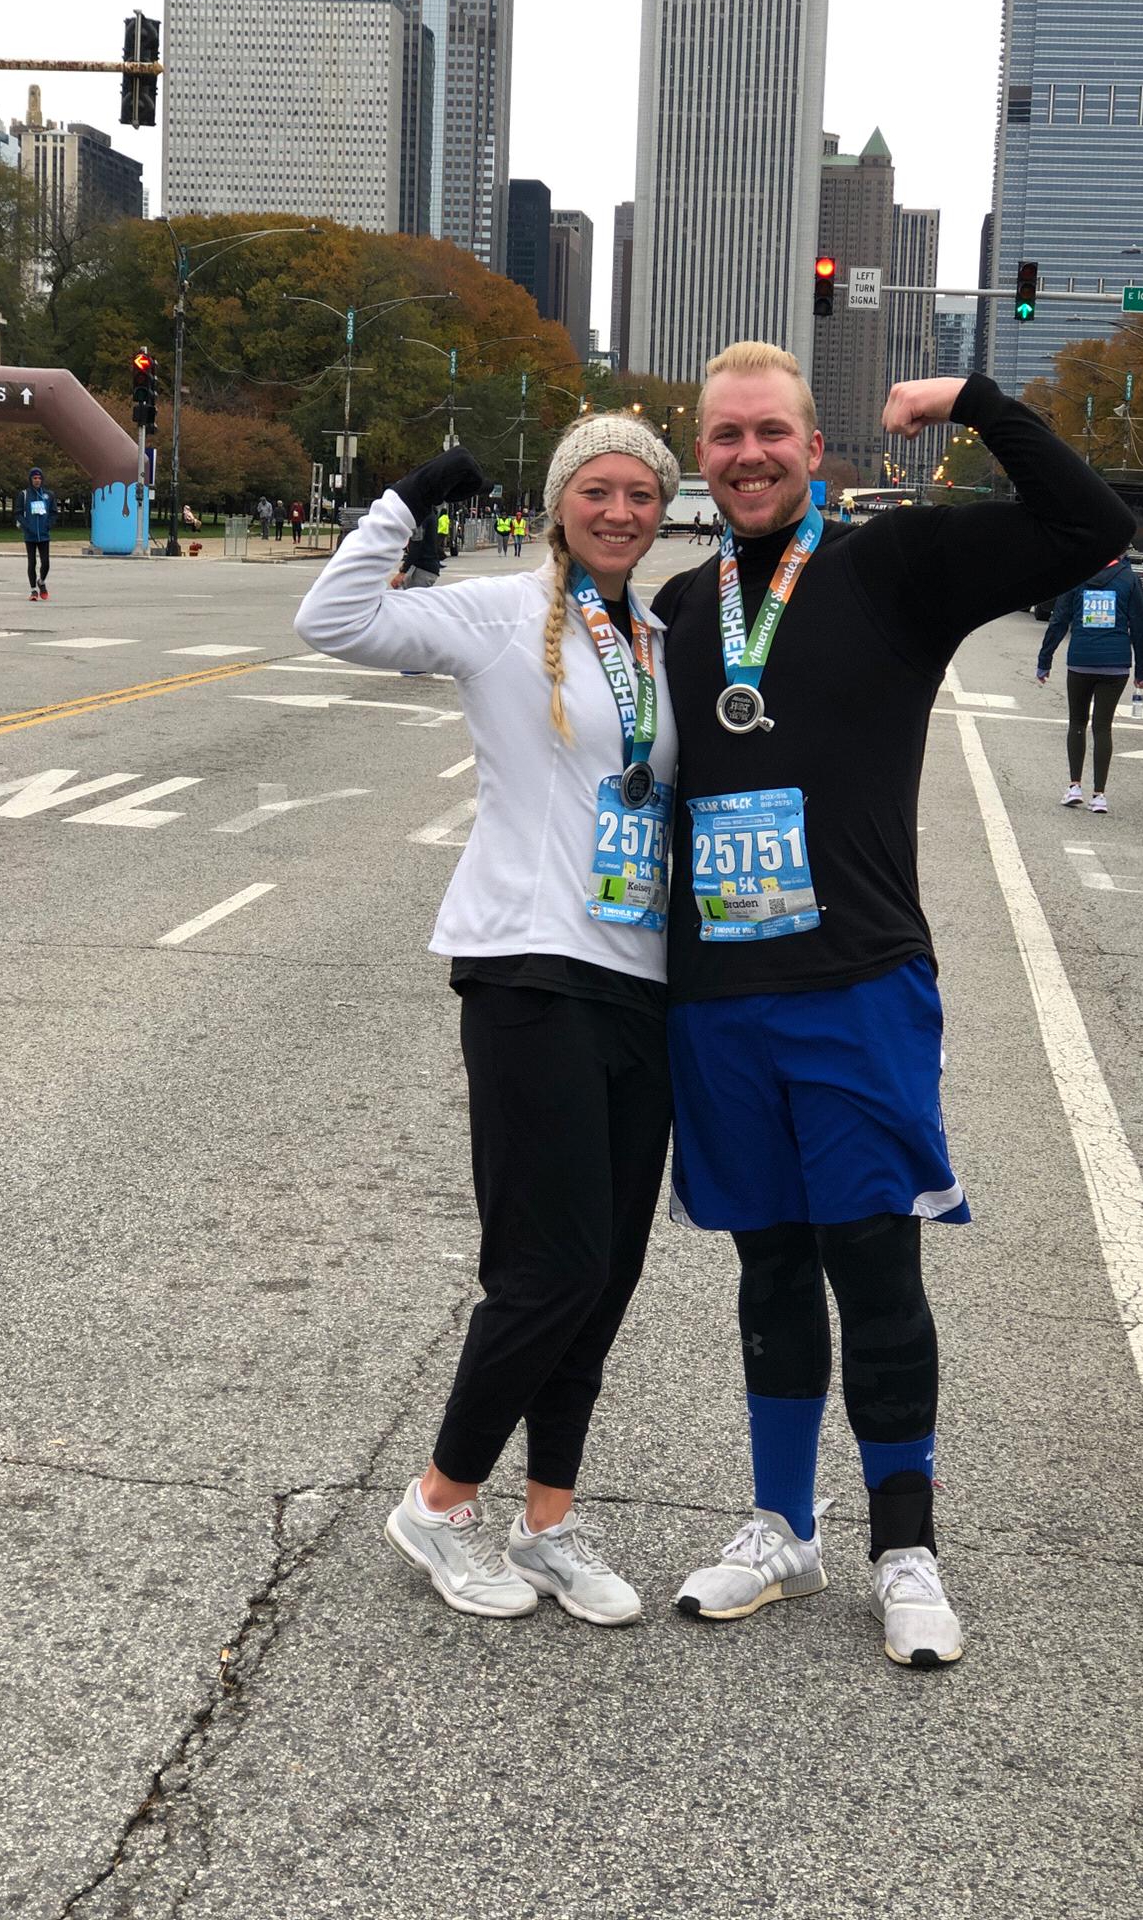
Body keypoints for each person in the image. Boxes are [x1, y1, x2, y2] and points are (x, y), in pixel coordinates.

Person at [650, 343, 1132, 1666]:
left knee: (874, 1265)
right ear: (704, 454)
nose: (747, 455)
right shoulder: (682, 609)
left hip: (856, 985)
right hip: (720, 997)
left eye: (771, 432)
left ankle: (904, 1547)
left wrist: (974, 402)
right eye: (725, 435)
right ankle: (781, 1526)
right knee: (767, 1267)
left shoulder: (892, 567)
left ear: (815, 449)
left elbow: (1092, 526)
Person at [295, 414, 682, 1625]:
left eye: (641, 494)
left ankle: (549, 1521)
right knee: (547, 1266)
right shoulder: (503, 613)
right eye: (596, 489)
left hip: (645, 980)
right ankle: (440, 1498)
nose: (619, 511)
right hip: (530, 965)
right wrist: (413, 495)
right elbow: (333, 618)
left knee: (607, 1274)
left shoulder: (658, 639)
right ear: (560, 500)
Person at [1035, 551, 1143, 812]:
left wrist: (1045, 659)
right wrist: (1142, 671)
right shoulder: (1129, 579)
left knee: (1077, 722)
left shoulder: (1077, 575)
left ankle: (1074, 785)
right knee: (1103, 727)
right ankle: (1099, 795)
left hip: (1081, 659)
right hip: (1116, 663)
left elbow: (1059, 619)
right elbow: (1139, 627)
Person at [16, 467, 58, 599]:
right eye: (34, 478)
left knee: (46, 563)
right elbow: (18, 513)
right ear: (30, 479)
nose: (37, 480)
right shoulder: (24, 494)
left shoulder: (48, 495)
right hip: (30, 535)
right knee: (32, 562)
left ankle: (41, 581)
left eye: (39, 478)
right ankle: (33, 590)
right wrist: (27, 526)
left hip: (44, 535)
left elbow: (53, 512)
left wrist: (48, 525)